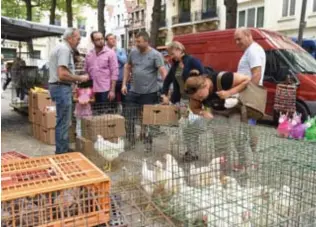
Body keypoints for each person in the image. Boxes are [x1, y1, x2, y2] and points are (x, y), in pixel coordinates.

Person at [184, 71, 255, 170]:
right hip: (218, 112)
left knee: (238, 135)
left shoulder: (223, 78)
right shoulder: (195, 95)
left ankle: (247, 164)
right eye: (196, 98)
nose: (200, 100)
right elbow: (194, 108)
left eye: (200, 97)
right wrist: (203, 112)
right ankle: (222, 165)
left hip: (235, 110)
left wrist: (229, 93)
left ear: (204, 86)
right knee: (220, 138)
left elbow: (247, 79)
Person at [121, 31, 167, 151]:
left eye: (139, 42)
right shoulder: (133, 52)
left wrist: (166, 91)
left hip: (150, 92)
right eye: (136, 41)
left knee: (149, 119)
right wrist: (124, 84)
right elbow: (127, 67)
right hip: (134, 91)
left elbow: (163, 72)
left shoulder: (156, 55)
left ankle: (148, 143)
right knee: (129, 117)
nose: (136, 44)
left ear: (147, 42)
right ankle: (131, 141)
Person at [48, 28, 89, 154]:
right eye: (78, 39)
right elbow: (62, 74)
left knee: (63, 120)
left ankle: (63, 148)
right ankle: (61, 152)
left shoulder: (61, 48)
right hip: (61, 87)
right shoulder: (64, 50)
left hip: (59, 87)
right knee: (64, 122)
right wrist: (79, 78)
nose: (79, 42)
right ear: (70, 38)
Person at [161, 41, 205, 105]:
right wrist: (164, 95)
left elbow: (203, 77)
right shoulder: (175, 66)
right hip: (181, 100)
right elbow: (167, 81)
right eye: (170, 55)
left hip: (195, 99)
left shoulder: (192, 60)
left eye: (172, 54)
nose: (171, 57)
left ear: (179, 50)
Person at [85, 31, 119, 113]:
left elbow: (114, 72)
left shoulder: (110, 53)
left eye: (102, 38)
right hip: (92, 89)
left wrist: (112, 90)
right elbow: (86, 71)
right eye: (97, 39)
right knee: (92, 114)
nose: (101, 41)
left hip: (105, 89)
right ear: (93, 41)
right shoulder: (89, 54)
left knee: (104, 115)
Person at [105, 33, 128, 110]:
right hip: (110, 82)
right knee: (111, 102)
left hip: (121, 81)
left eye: (114, 38)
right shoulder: (104, 51)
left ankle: (124, 118)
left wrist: (114, 53)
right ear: (106, 41)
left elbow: (124, 61)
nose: (113, 40)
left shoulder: (121, 50)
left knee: (125, 101)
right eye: (111, 39)